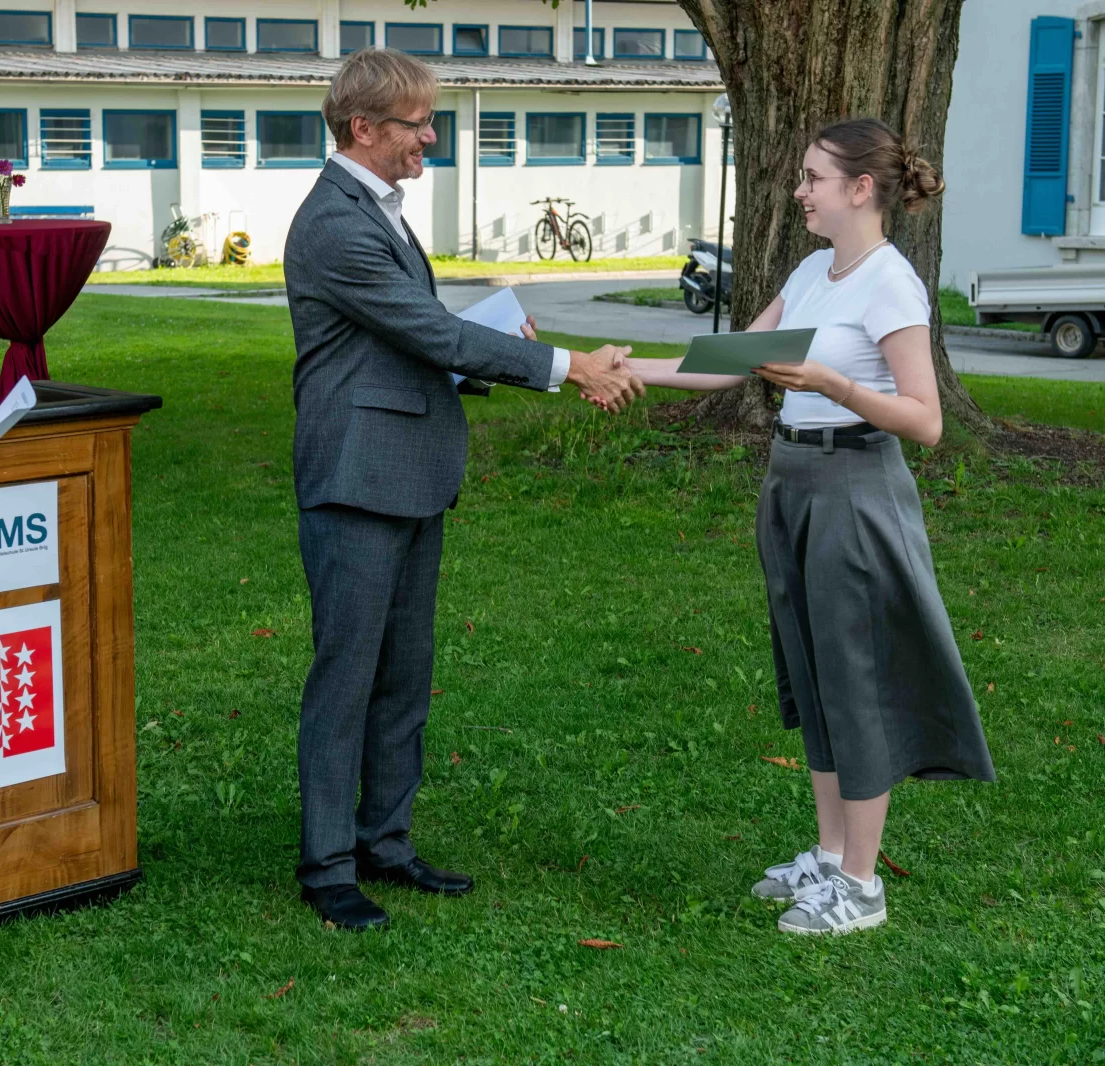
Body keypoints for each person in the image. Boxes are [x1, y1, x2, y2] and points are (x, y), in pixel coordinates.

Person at [284, 48, 642, 932]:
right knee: (347, 680)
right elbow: (426, 330)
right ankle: (328, 867)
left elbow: (412, 340)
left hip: (408, 474)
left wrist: (493, 342)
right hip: (356, 479)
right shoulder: (333, 222)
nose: (430, 139)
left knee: (405, 678)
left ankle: (385, 842)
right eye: (417, 125)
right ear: (363, 128)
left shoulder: (377, 209)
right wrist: (566, 365)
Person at [627, 117, 996, 935]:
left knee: (856, 680)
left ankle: (860, 887)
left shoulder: (891, 283)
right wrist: (624, 368)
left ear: (860, 189)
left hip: (855, 490)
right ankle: (830, 860)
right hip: (791, 484)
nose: (798, 191)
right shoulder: (813, 270)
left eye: (812, 179)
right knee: (817, 673)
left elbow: (926, 420)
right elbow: (727, 362)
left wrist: (834, 384)